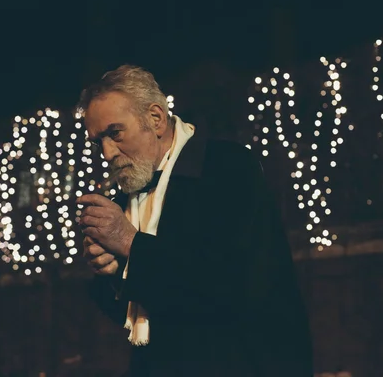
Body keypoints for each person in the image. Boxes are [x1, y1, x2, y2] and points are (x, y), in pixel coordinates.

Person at [76, 65, 313, 376]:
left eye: (115, 133)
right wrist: (112, 270)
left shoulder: (227, 167)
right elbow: (137, 313)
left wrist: (129, 243)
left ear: (156, 119)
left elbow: (229, 284)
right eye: (98, 141)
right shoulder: (128, 197)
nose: (106, 153)